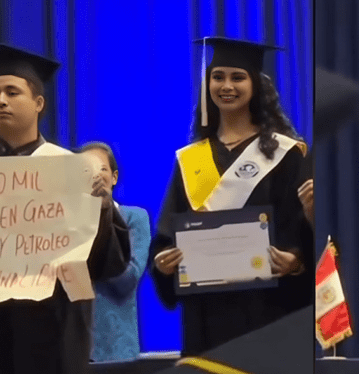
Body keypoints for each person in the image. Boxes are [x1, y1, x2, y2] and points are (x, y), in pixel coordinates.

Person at [150, 37, 313, 356]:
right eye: (218, 76)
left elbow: (300, 230)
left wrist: (296, 261)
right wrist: (163, 263)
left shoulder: (286, 154)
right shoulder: (191, 159)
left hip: (266, 312)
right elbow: (168, 234)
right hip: (205, 316)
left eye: (237, 77)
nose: (226, 85)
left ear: (256, 85)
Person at [0, 45, 131, 373]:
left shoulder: (72, 171)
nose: (1, 100)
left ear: (38, 103)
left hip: (55, 328)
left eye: (11, 92)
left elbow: (108, 264)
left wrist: (101, 208)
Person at [80, 142, 151, 362]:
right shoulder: (64, 223)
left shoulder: (134, 218)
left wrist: (103, 215)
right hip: (72, 348)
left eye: (101, 169)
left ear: (114, 177)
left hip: (116, 350)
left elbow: (127, 279)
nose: (95, 176)